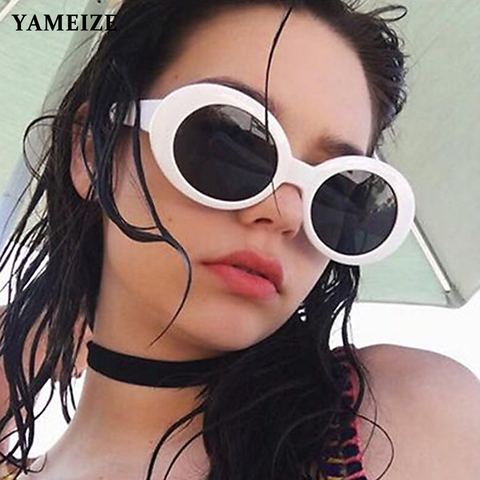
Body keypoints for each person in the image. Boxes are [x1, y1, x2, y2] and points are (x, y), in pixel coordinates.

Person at [1, 0, 479, 479]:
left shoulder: (404, 418)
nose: (287, 213)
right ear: (91, 154)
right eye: (231, 140)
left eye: (337, 190)